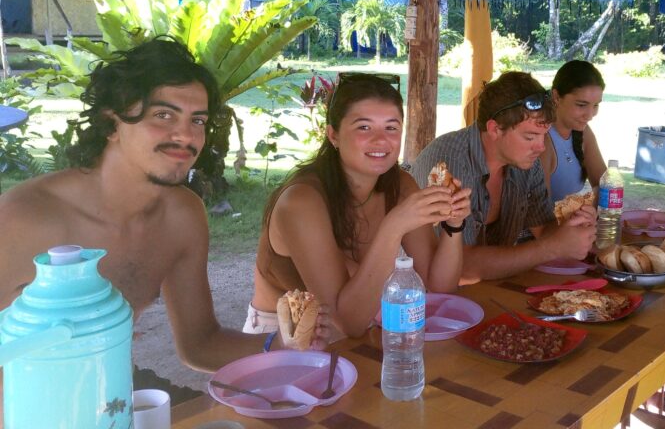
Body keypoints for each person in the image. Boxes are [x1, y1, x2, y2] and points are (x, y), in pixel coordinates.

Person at [0, 40, 323, 411]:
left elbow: (200, 343)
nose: (186, 136)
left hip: (116, 394)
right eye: (163, 116)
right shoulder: (25, 218)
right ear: (111, 122)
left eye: (197, 121)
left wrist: (278, 345)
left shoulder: (181, 217)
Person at [246, 74, 471, 338]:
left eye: (391, 127)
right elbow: (345, 322)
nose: (380, 140)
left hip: (365, 324)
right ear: (333, 135)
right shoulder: (301, 202)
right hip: (281, 338)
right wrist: (394, 226)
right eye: (364, 127)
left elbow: (440, 286)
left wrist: (454, 225)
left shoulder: (400, 184)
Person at [411, 72, 597, 283]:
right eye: (529, 137)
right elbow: (460, 265)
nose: (541, 147)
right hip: (420, 299)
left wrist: (569, 226)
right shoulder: (449, 164)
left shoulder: (526, 161)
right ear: (495, 129)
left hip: (490, 287)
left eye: (544, 135)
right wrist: (551, 248)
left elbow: (542, 229)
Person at [540, 60, 607, 202]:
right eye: (581, 105)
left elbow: (607, 187)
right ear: (556, 97)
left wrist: (584, 207)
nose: (589, 115)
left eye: (595, 105)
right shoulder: (541, 139)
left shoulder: (583, 131)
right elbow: (539, 213)